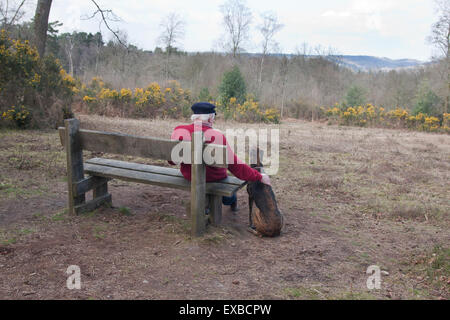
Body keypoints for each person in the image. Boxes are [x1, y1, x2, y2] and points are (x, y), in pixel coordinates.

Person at [170, 102, 271, 212]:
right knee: (227, 197)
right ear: (209, 119)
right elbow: (235, 166)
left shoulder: (179, 131)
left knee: (205, 181)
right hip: (214, 178)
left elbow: (172, 161)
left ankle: (206, 204)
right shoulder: (217, 136)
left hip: (190, 175)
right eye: (213, 118)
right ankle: (230, 201)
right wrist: (259, 176)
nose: (213, 121)